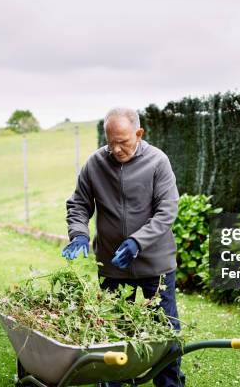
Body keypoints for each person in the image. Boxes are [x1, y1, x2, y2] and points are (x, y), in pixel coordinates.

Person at [63, 107, 185, 387]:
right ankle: (116, 382)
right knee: (114, 329)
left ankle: (170, 383)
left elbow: (167, 210)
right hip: (112, 266)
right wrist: (79, 234)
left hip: (156, 264)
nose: (116, 149)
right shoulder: (95, 164)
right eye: (110, 142)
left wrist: (137, 241)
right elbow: (79, 204)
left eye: (123, 141)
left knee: (164, 330)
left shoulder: (157, 161)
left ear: (139, 134)